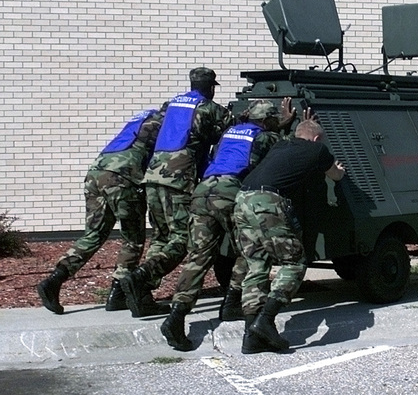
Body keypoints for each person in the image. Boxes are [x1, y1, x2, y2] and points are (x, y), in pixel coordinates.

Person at [160, 99, 285, 351]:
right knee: (247, 250)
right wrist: (284, 127)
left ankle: (176, 315)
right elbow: (281, 150)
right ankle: (232, 302)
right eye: (272, 119)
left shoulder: (229, 133)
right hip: (229, 192)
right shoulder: (263, 137)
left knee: (199, 256)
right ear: (265, 121)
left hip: (203, 191)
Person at [120, 67, 233, 318]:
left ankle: (142, 295)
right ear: (211, 87)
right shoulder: (210, 109)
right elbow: (230, 133)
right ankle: (141, 278)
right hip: (179, 180)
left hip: (153, 176)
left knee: (161, 236)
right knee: (182, 240)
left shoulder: (170, 105)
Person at [37, 107, 165, 315]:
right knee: (133, 239)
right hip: (122, 178)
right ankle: (118, 292)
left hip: (96, 173)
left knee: (94, 235)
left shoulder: (142, 118)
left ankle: (54, 280)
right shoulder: (163, 123)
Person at [233, 118, 345, 354]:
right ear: (316, 138)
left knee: (256, 265)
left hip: (243, 199)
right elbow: (334, 175)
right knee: (294, 263)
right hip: (268, 202)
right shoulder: (318, 149)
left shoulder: (280, 145)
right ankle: (265, 320)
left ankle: (250, 336)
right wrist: (340, 171)